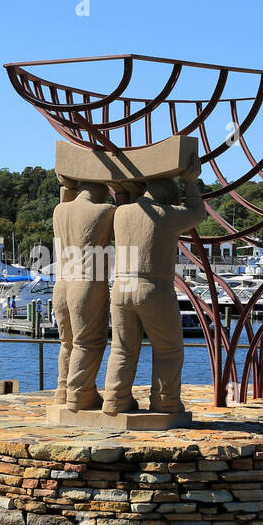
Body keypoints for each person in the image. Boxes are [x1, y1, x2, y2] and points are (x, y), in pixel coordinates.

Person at [103, 165, 206, 414]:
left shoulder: (121, 213)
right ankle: (165, 402)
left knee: (122, 348)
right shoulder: (166, 214)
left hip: (120, 287)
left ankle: (115, 401)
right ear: (170, 199)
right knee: (168, 349)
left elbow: (128, 198)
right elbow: (198, 213)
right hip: (153, 286)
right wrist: (191, 182)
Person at [51, 179, 116, 410]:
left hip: (61, 284)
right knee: (88, 343)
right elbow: (130, 220)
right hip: (85, 284)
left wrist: (67, 185)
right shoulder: (106, 211)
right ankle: (80, 394)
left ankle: (63, 391)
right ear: (103, 192)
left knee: (66, 343)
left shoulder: (60, 210)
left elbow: (66, 197)